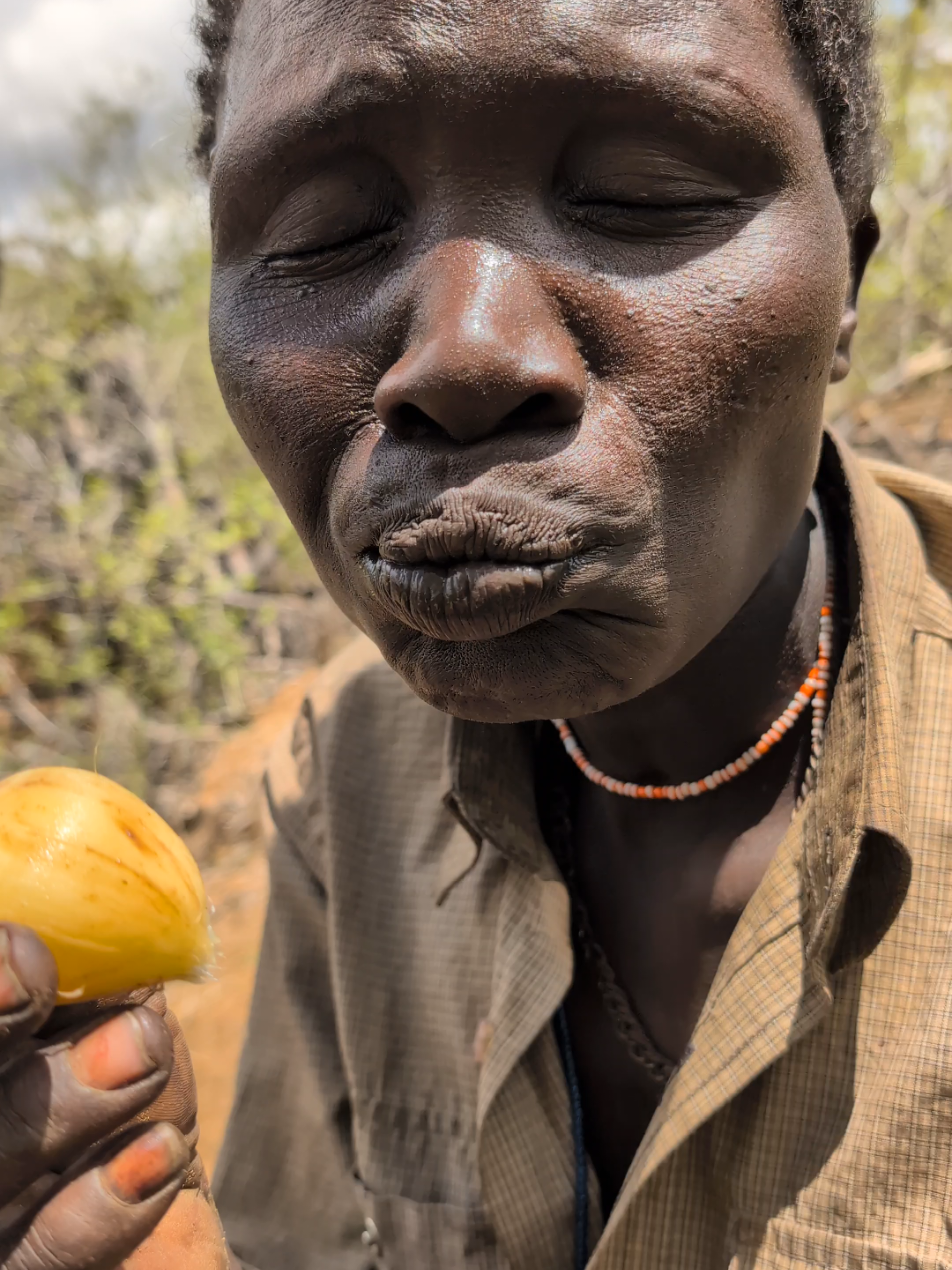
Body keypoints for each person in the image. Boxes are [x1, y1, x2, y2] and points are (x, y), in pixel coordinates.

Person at [4, 0, 952, 1266]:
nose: (463, 354)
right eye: (322, 236)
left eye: (645, 194)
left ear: (850, 281)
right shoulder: (349, 776)